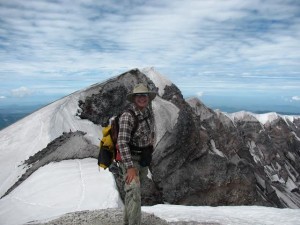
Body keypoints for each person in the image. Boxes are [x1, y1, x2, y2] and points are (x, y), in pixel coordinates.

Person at [117, 83, 156, 225]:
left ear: (148, 98)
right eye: (139, 96)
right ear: (134, 98)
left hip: (143, 159)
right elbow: (122, 142)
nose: (142, 98)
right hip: (131, 160)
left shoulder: (147, 113)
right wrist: (129, 167)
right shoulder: (128, 116)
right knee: (134, 194)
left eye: (144, 95)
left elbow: (150, 133)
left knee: (133, 195)